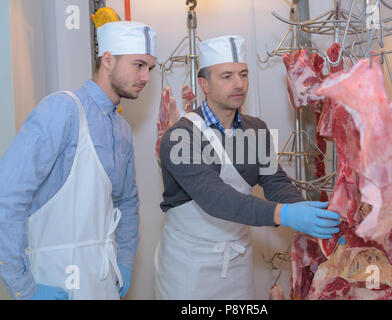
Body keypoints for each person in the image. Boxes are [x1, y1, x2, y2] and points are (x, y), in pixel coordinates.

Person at [154, 35, 341, 300]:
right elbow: (214, 198)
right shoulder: (180, 137)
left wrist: (305, 213)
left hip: (237, 264)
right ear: (204, 84)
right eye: (226, 76)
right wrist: (284, 215)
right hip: (189, 267)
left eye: (243, 74)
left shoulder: (256, 129)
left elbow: (274, 180)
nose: (239, 84)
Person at [0, 21, 157, 300]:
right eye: (138, 65)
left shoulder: (121, 128)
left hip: (103, 280)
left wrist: (125, 261)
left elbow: (128, 203)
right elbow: (8, 196)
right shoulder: (62, 110)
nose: (145, 77)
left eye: (150, 68)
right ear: (108, 60)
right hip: (53, 278)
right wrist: (23, 286)